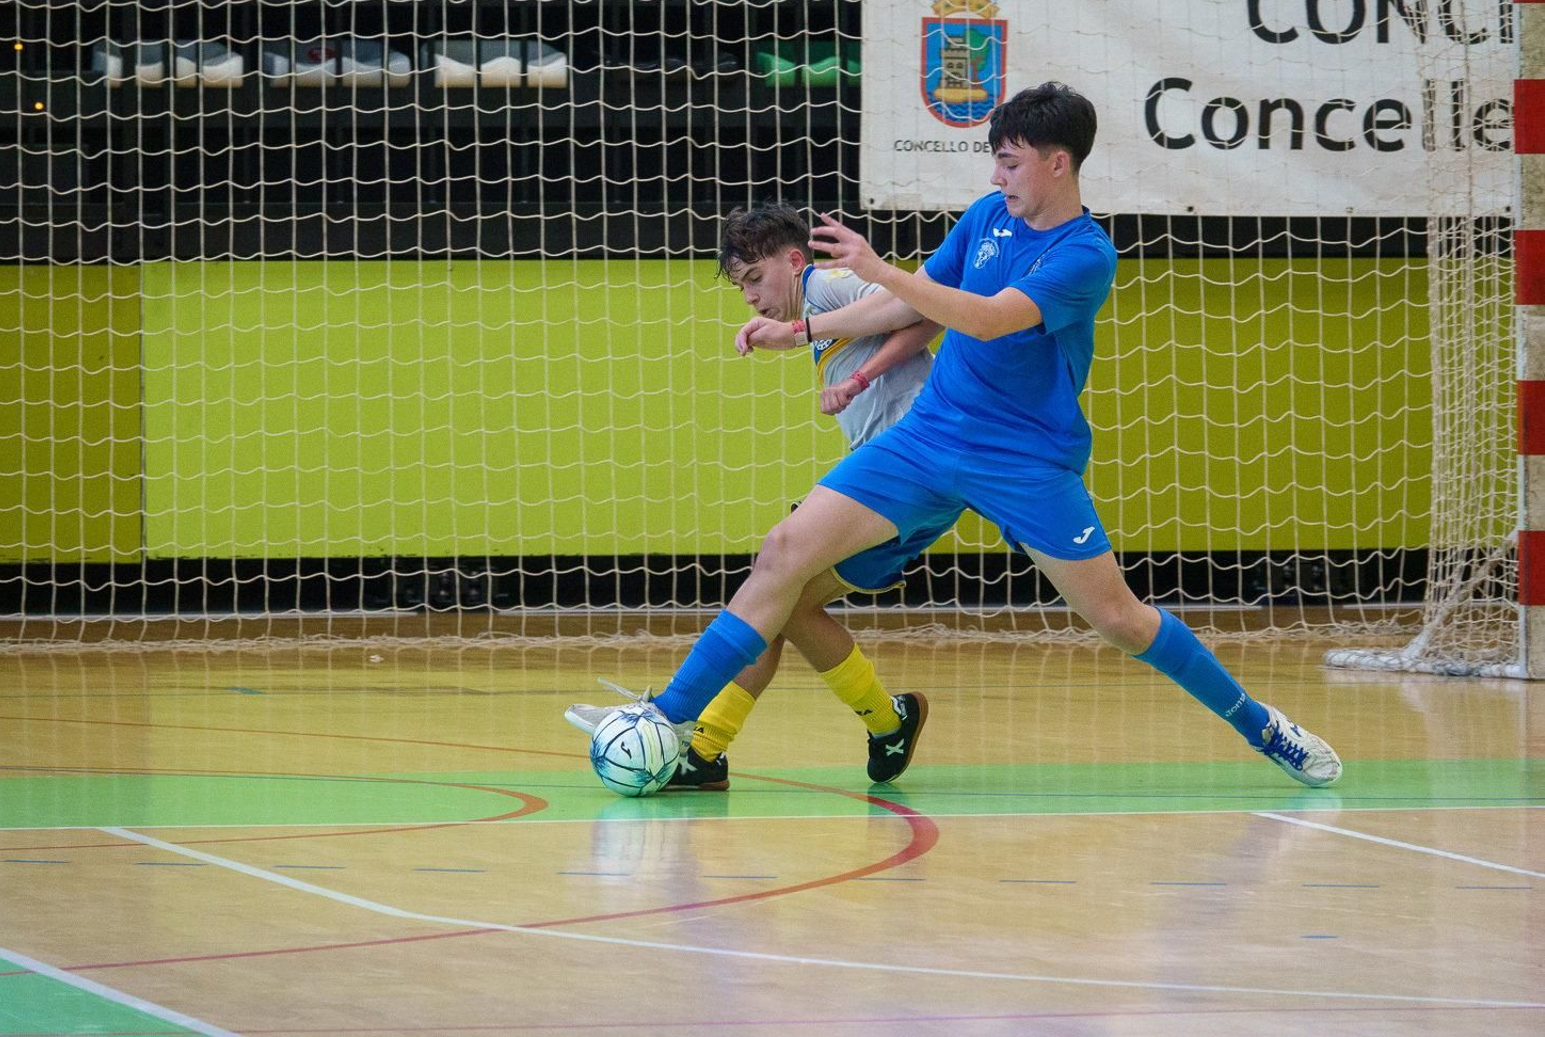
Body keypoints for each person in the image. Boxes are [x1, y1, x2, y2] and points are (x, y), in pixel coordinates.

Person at [569, 81, 1342, 791]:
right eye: (995, 163)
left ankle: (1262, 725)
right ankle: (668, 717)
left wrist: (880, 267)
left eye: (1010, 163)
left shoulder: (1085, 254)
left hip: (1025, 458)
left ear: (1057, 162)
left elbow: (986, 317)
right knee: (783, 554)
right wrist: (805, 328)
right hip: (929, 435)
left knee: (1120, 620)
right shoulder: (985, 218)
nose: (999, 177)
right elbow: (907, 311)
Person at [566, 203, 941, 791]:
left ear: (795, 261)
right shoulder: (818, 305)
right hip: (890, 478)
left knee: (774, 573)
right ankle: (869, 725)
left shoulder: (829, 283)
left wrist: (854, 377)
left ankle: (677, 718)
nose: (748, 297)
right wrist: (811, 348)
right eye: (741, 286)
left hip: (912, 468)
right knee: (776, 599)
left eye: (755, 280)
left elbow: (926, 308)